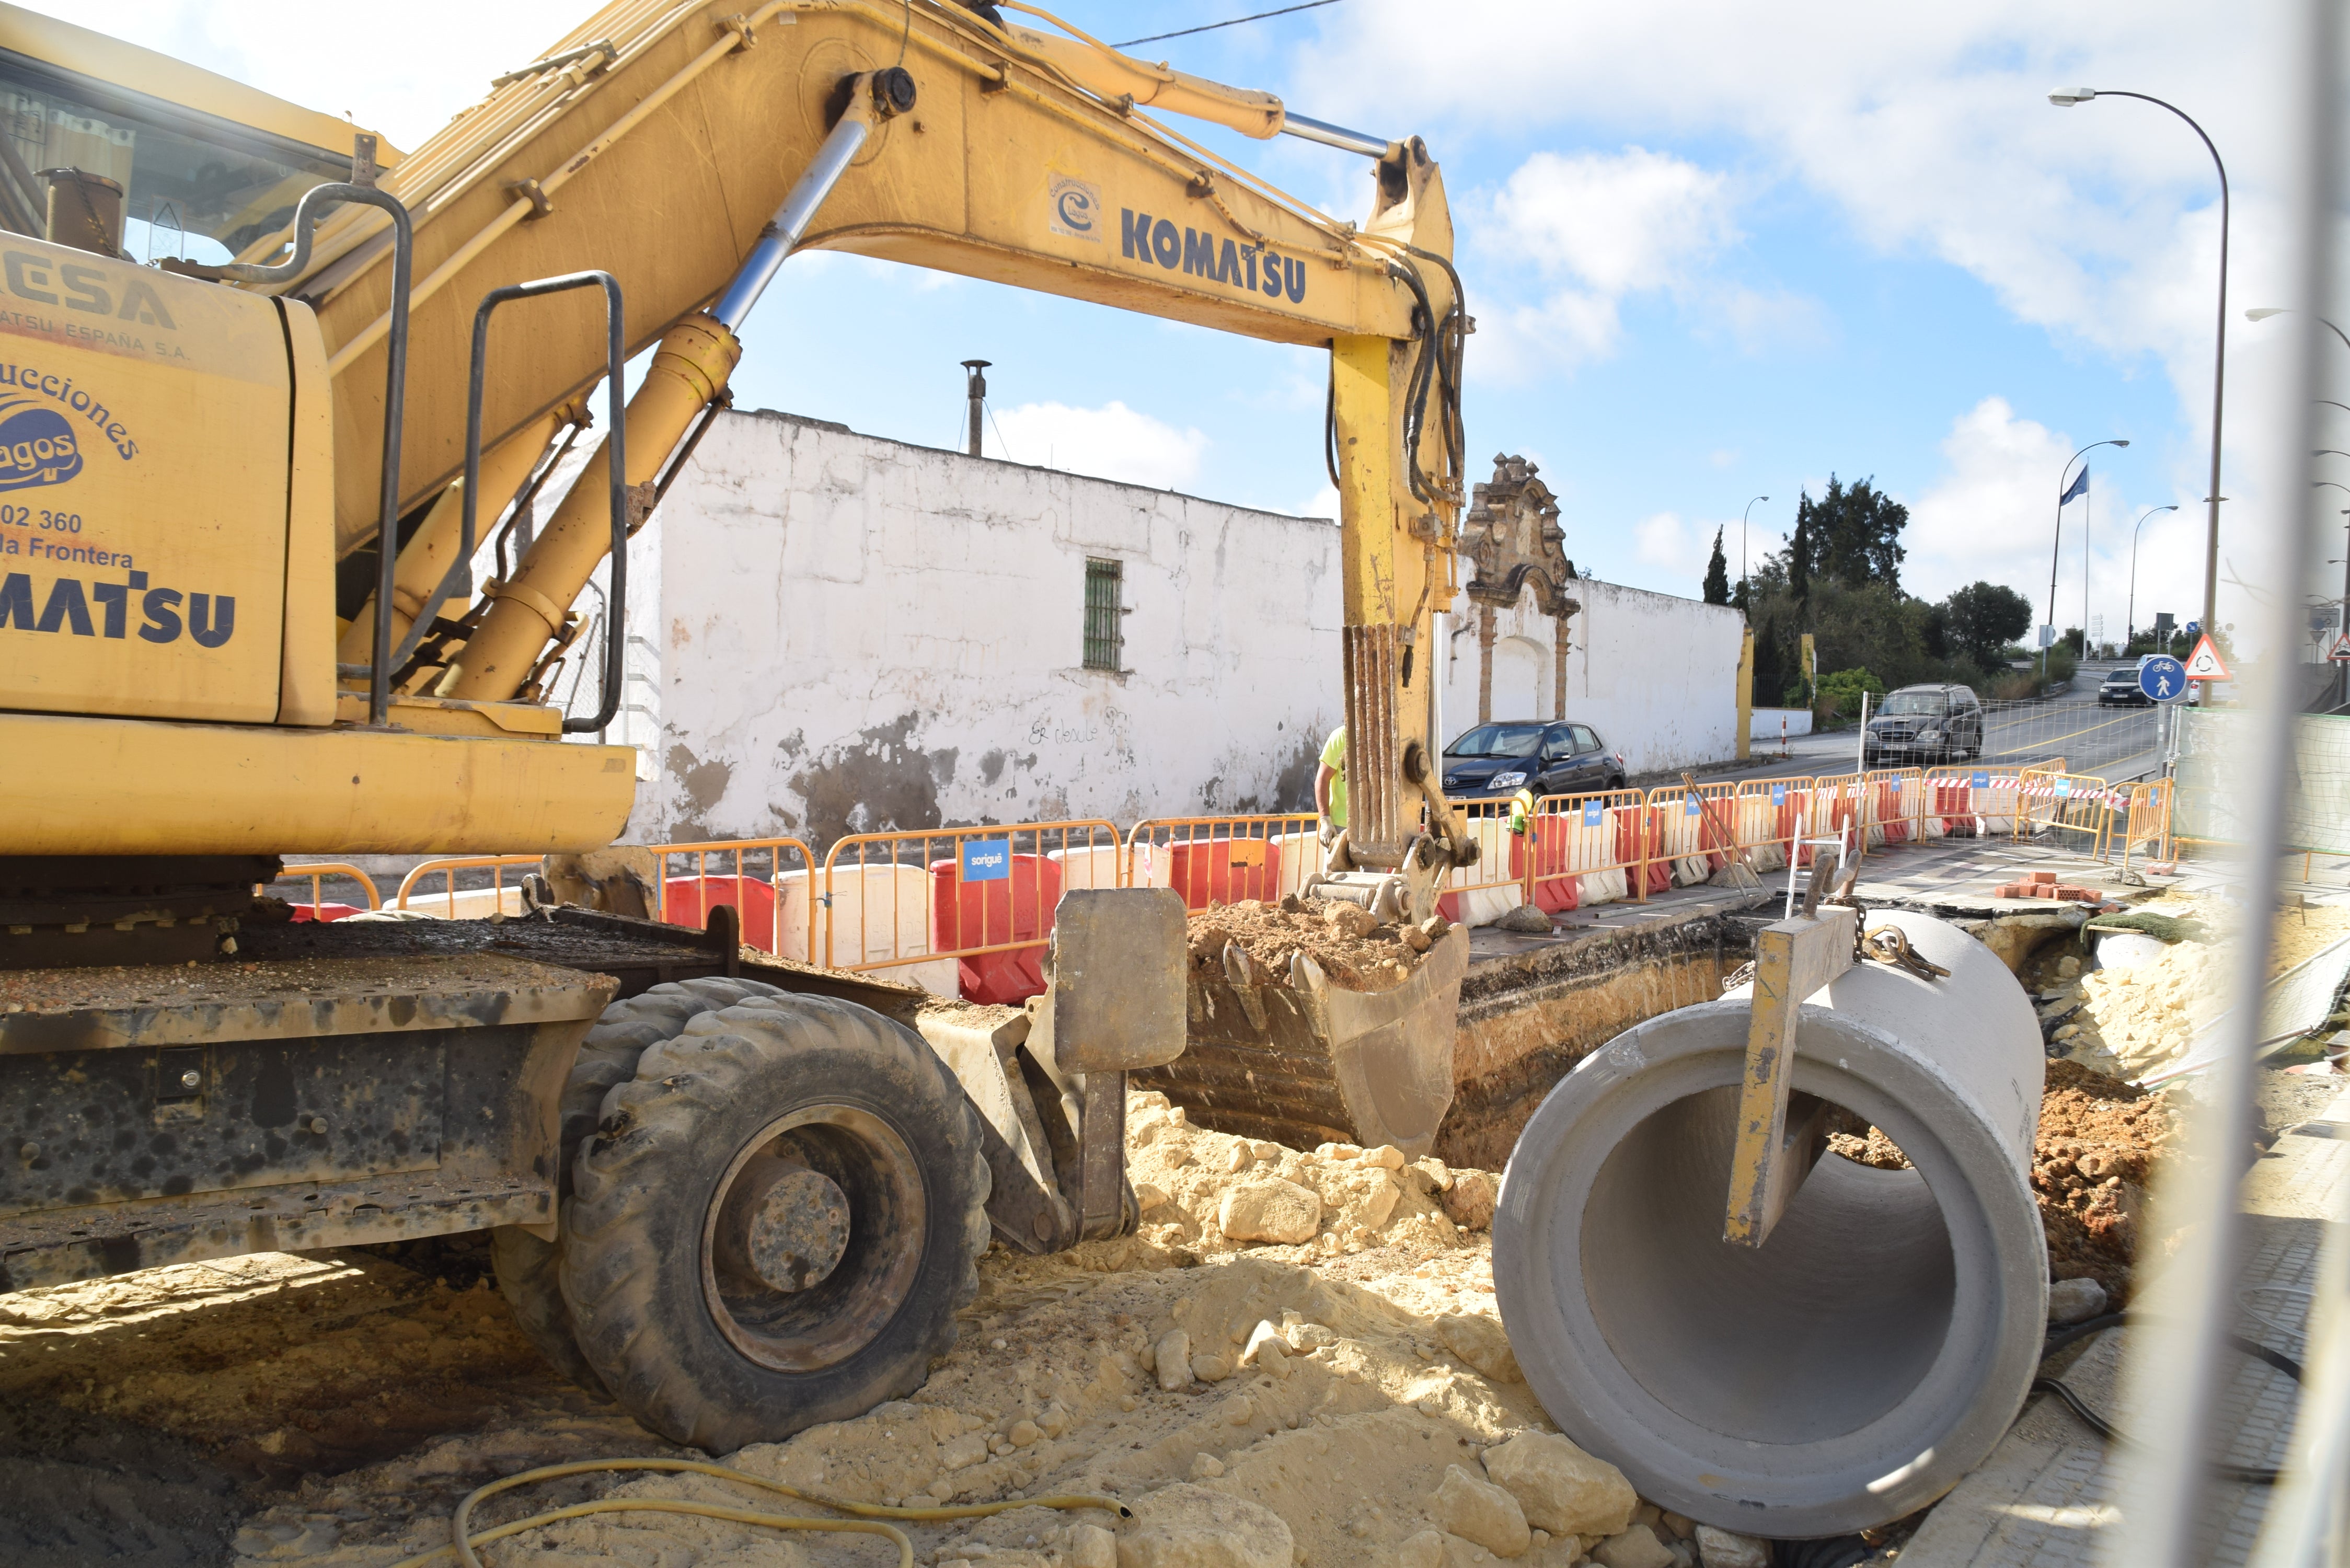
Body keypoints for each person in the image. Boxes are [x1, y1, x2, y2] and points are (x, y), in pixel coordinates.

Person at [1315, 724, 1346, 847]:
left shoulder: (1386, 734)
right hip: (1342, 826)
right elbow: (1323, 779)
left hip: (1376, 826)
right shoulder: (1342, 736)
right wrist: (1325, 821)